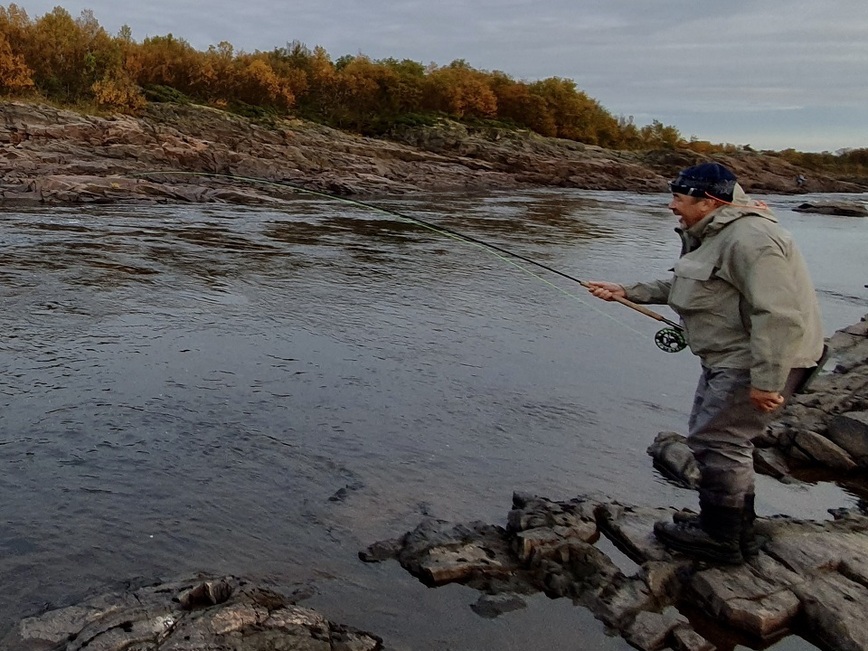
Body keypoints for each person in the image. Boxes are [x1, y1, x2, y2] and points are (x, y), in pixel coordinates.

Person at [587, 162, 825, 564]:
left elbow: (779, 314)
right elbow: (694, 284)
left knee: (719, 441)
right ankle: (737, 530)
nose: (671, 207)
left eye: (679, 199)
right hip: (733, 356)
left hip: (757, 359)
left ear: (709, 201)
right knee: (716, 438)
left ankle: (720, 536)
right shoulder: (719, 233)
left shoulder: (751, 239)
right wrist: (627, 290)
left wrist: (767, 381)